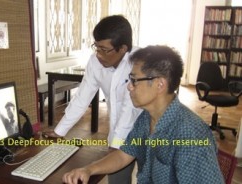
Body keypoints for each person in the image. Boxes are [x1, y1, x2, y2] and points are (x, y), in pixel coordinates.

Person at [62, 45, 224, 184]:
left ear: (160, 84)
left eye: (134, 80)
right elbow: (125, 154)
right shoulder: (146, 117)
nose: (129, 87)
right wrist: (88, 169)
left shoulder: (190, 135)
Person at [44, 15, 142, 184]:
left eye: (104, 49)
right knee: (118, 180)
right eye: (96, 47)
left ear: (123, 48)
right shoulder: (95, 62)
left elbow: (129, 109)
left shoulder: (139, 63)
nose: (98, 54)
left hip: (145, 130)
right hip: (118, 131)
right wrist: (59, 131)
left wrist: (116, 144)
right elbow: (82, 97)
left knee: (148, 176)